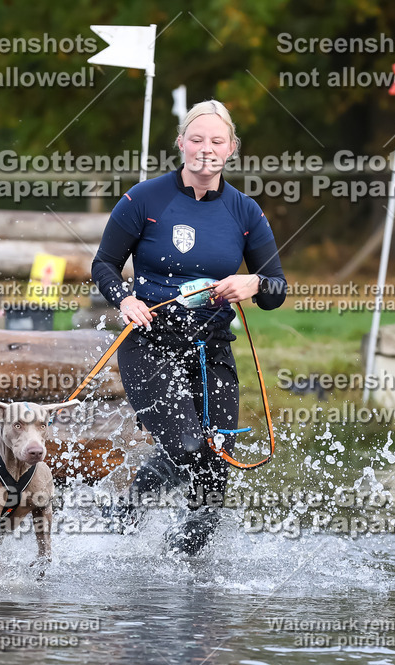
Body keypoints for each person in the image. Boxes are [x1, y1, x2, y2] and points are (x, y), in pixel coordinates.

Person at [92, 99, 287, 555]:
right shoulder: (144, 199)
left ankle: (175, 568)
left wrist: (253, 281)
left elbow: (276, 290)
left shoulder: (245, 212)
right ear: (181, 143)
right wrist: (125, 299)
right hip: (149, 343)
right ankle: (132, 529)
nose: (205, 149)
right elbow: (103, 263)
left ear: (231, 148)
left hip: (211, 348)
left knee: (214, 472)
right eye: (196, 139)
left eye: (216, 141)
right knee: (186, 442)